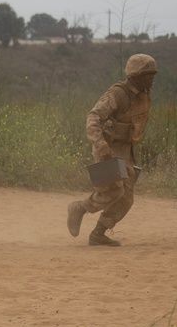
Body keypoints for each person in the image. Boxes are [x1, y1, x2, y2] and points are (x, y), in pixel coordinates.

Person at [67, 54, 157, 247]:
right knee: (113, 192)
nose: (152, 79)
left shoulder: (144, 94)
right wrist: (100, 145)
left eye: (153, 74)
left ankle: (98, 234)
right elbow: (93, 118)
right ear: (135, 75)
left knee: (126, 198)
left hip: (126, 150)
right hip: (108, 148)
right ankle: (79, 208)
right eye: (148, 75)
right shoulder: (118, 94)